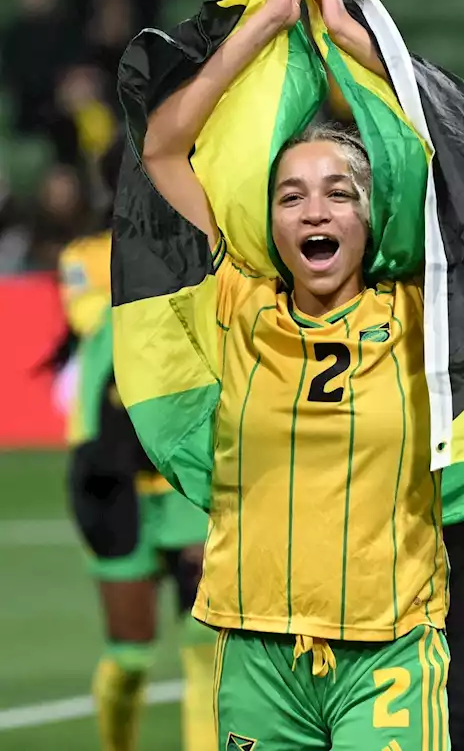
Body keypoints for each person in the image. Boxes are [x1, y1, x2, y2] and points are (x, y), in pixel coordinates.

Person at [136, 0, 450, 749]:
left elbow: (462, 162)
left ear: (371, 214)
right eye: (291, 195)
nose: (315, 210)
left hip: (388, 652)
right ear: (267, 222)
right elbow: (163, 150)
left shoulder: (423, 309)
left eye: (339, 192)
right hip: (254, 650)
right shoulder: (238, 303)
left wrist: (351, 37)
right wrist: (265, 26)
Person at [60, 139, 215, 751]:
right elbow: (97, 318)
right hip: (111, 472)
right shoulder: (89, 258)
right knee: (129, 656)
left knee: (206, 649)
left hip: (188, 472)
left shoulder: (214, 249)